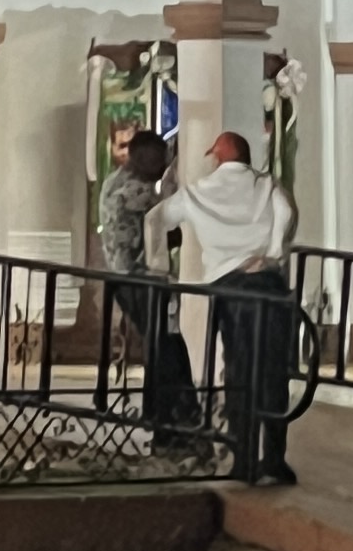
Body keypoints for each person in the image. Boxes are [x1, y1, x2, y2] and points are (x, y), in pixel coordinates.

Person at [162, 129, 302, 484]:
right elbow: (286, 210)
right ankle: (274, 457)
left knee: (239, 369)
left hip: (231, 287)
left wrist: (155, 263)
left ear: (217, 157)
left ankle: (244, 459)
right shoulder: (266, 183)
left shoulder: (199, 191)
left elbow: (157, 218)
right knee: (273, 370)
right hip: (268, 283)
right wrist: (273, 253)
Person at [96, 125, 196, 436]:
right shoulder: (138, 191)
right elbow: (171, 227)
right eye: (158, 160)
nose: (162, 166)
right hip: (140, 280)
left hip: (123, 277)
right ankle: (168, 418)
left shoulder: (114, 180)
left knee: (162, 345)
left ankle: (163, 414)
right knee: (164, 347)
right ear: (142, 158)